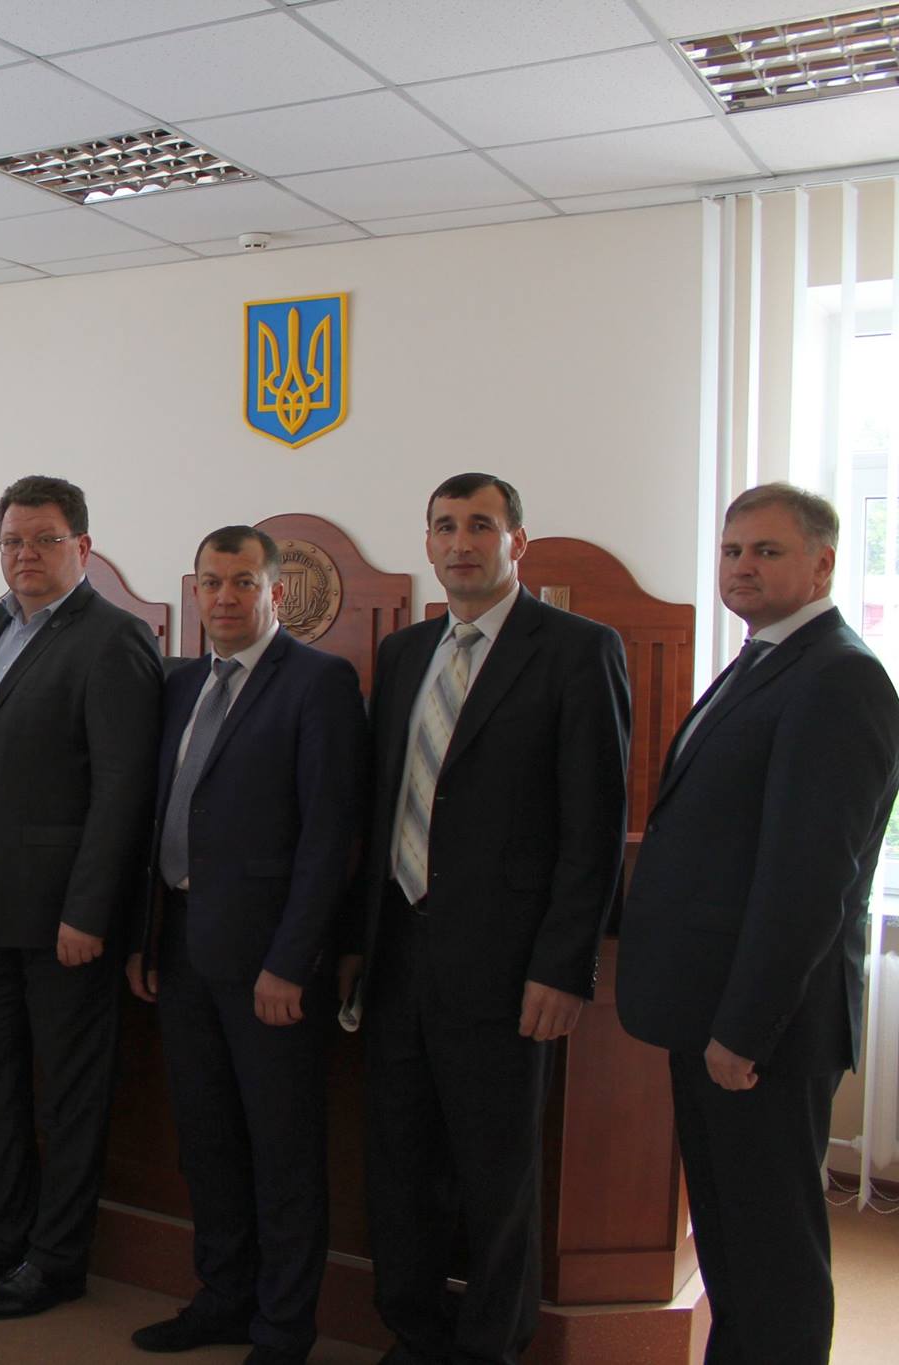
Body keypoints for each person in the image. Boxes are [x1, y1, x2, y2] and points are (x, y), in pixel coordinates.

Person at [619, 483, 899, 1365]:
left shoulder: (839, 676)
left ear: (822, 563)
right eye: (733, 550)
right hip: (712, 1012)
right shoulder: (764, 659)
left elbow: (809, 882)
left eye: (767, 551)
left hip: (761, 1030)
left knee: (772, 1257)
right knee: (733, 1246)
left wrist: (743, 1029)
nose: (742, 566)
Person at [355, 472, 630, 1365]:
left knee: (496, 1177)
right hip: (400, 958)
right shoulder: (404, 653)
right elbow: (382, 808)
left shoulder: (577, 650)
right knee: (402, 1167)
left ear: (518, 541)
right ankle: (414, 1336)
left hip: (508, 970)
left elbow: (593, 826)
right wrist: (358, 947)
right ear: (428, 543)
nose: (461, 542)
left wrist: (564, 965)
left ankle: (489, 1351)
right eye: (445, 526)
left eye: (481, 525)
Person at [0, 475, 162, 1320]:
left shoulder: (116, 639)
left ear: (82, 547)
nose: (25, 554)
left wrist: (88, 911)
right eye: (13, 540)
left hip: (63, 922)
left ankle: (55, 1261)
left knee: (69, 1098)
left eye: (44, 539)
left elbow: (122, 792)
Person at [125, 526, 367, 1363]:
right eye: (211, 582)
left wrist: (290, 962)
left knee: (282, 1151)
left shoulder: (320, 682)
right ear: (194, 591)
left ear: (275, 593)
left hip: (269, 965)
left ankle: (283, 1327)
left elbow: (330, 838)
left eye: (242, 582)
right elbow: (160, 815)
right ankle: (222, 1298)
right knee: (209, 1142)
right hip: (183, 950)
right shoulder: (179, 681)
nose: (224, 597)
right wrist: (145, 938)